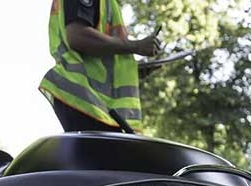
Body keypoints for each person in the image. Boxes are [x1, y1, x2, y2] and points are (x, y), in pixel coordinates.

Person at [40, 0, 161, 133]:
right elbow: (77, 36)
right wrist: (136, 46)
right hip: (87, 98)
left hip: (98, 105)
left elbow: (101, 57)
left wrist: (131, 70)